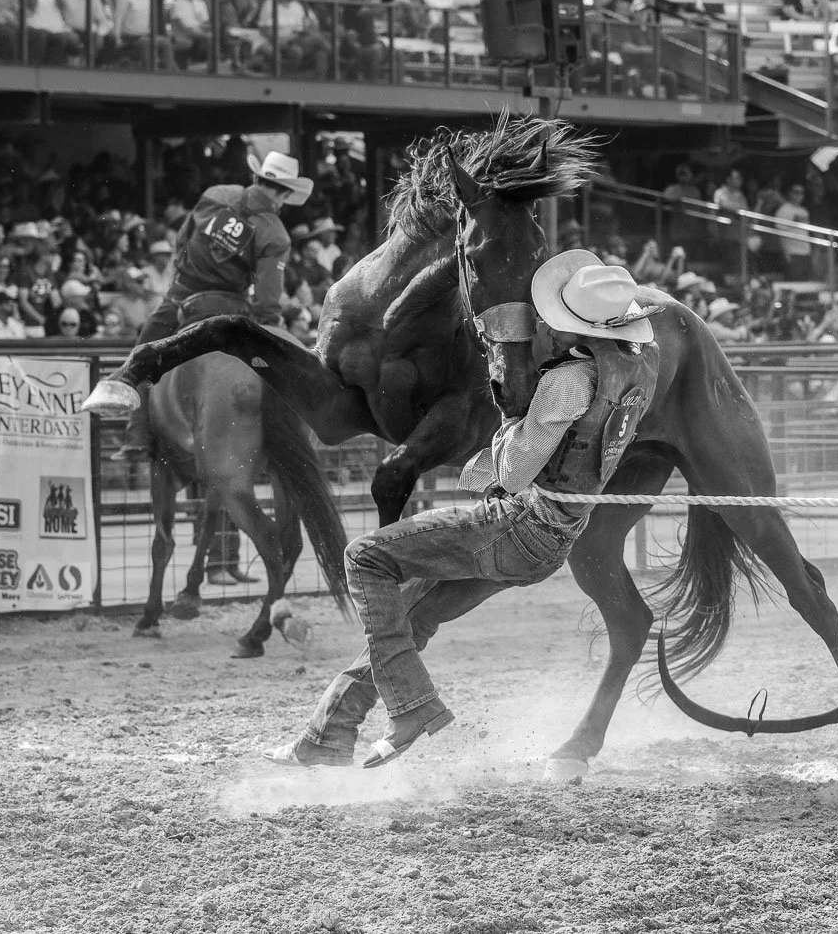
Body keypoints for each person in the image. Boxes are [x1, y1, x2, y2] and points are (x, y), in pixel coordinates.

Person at [261, 250, 660, 769]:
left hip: (516, 525)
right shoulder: (633, 372)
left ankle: (411, 707)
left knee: (364, 557)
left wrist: (502, 430)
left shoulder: (566, 381)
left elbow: (515, 472)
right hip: (552, 538)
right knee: (414, 615)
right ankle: (328, 732)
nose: (546, 324)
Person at [91, 152, 309, 459]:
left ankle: (137, 434)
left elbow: (183, 239)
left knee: (144, 349)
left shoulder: (217, 195)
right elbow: (267, 300)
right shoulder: (275, 234)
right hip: (232, 305)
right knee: (274, 363)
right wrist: (270, 326)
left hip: (184, 296)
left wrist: (188, 272)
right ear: (285, 192)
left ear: (256, 178)